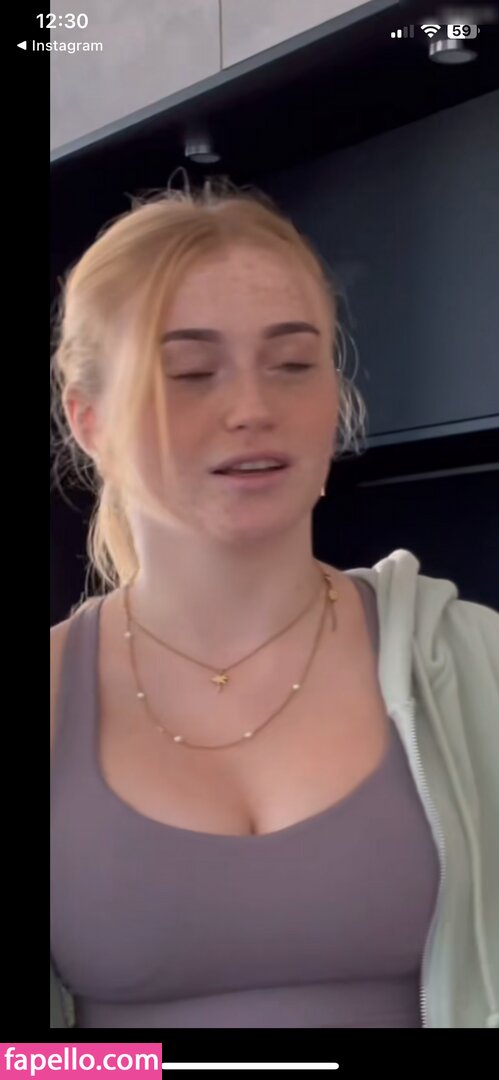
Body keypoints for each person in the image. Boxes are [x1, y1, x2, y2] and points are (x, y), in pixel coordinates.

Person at [50, 181, 499, 1030]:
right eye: (190, 374)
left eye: (293, 364)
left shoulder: (475, 663)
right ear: (89, 421)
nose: (253, 409)